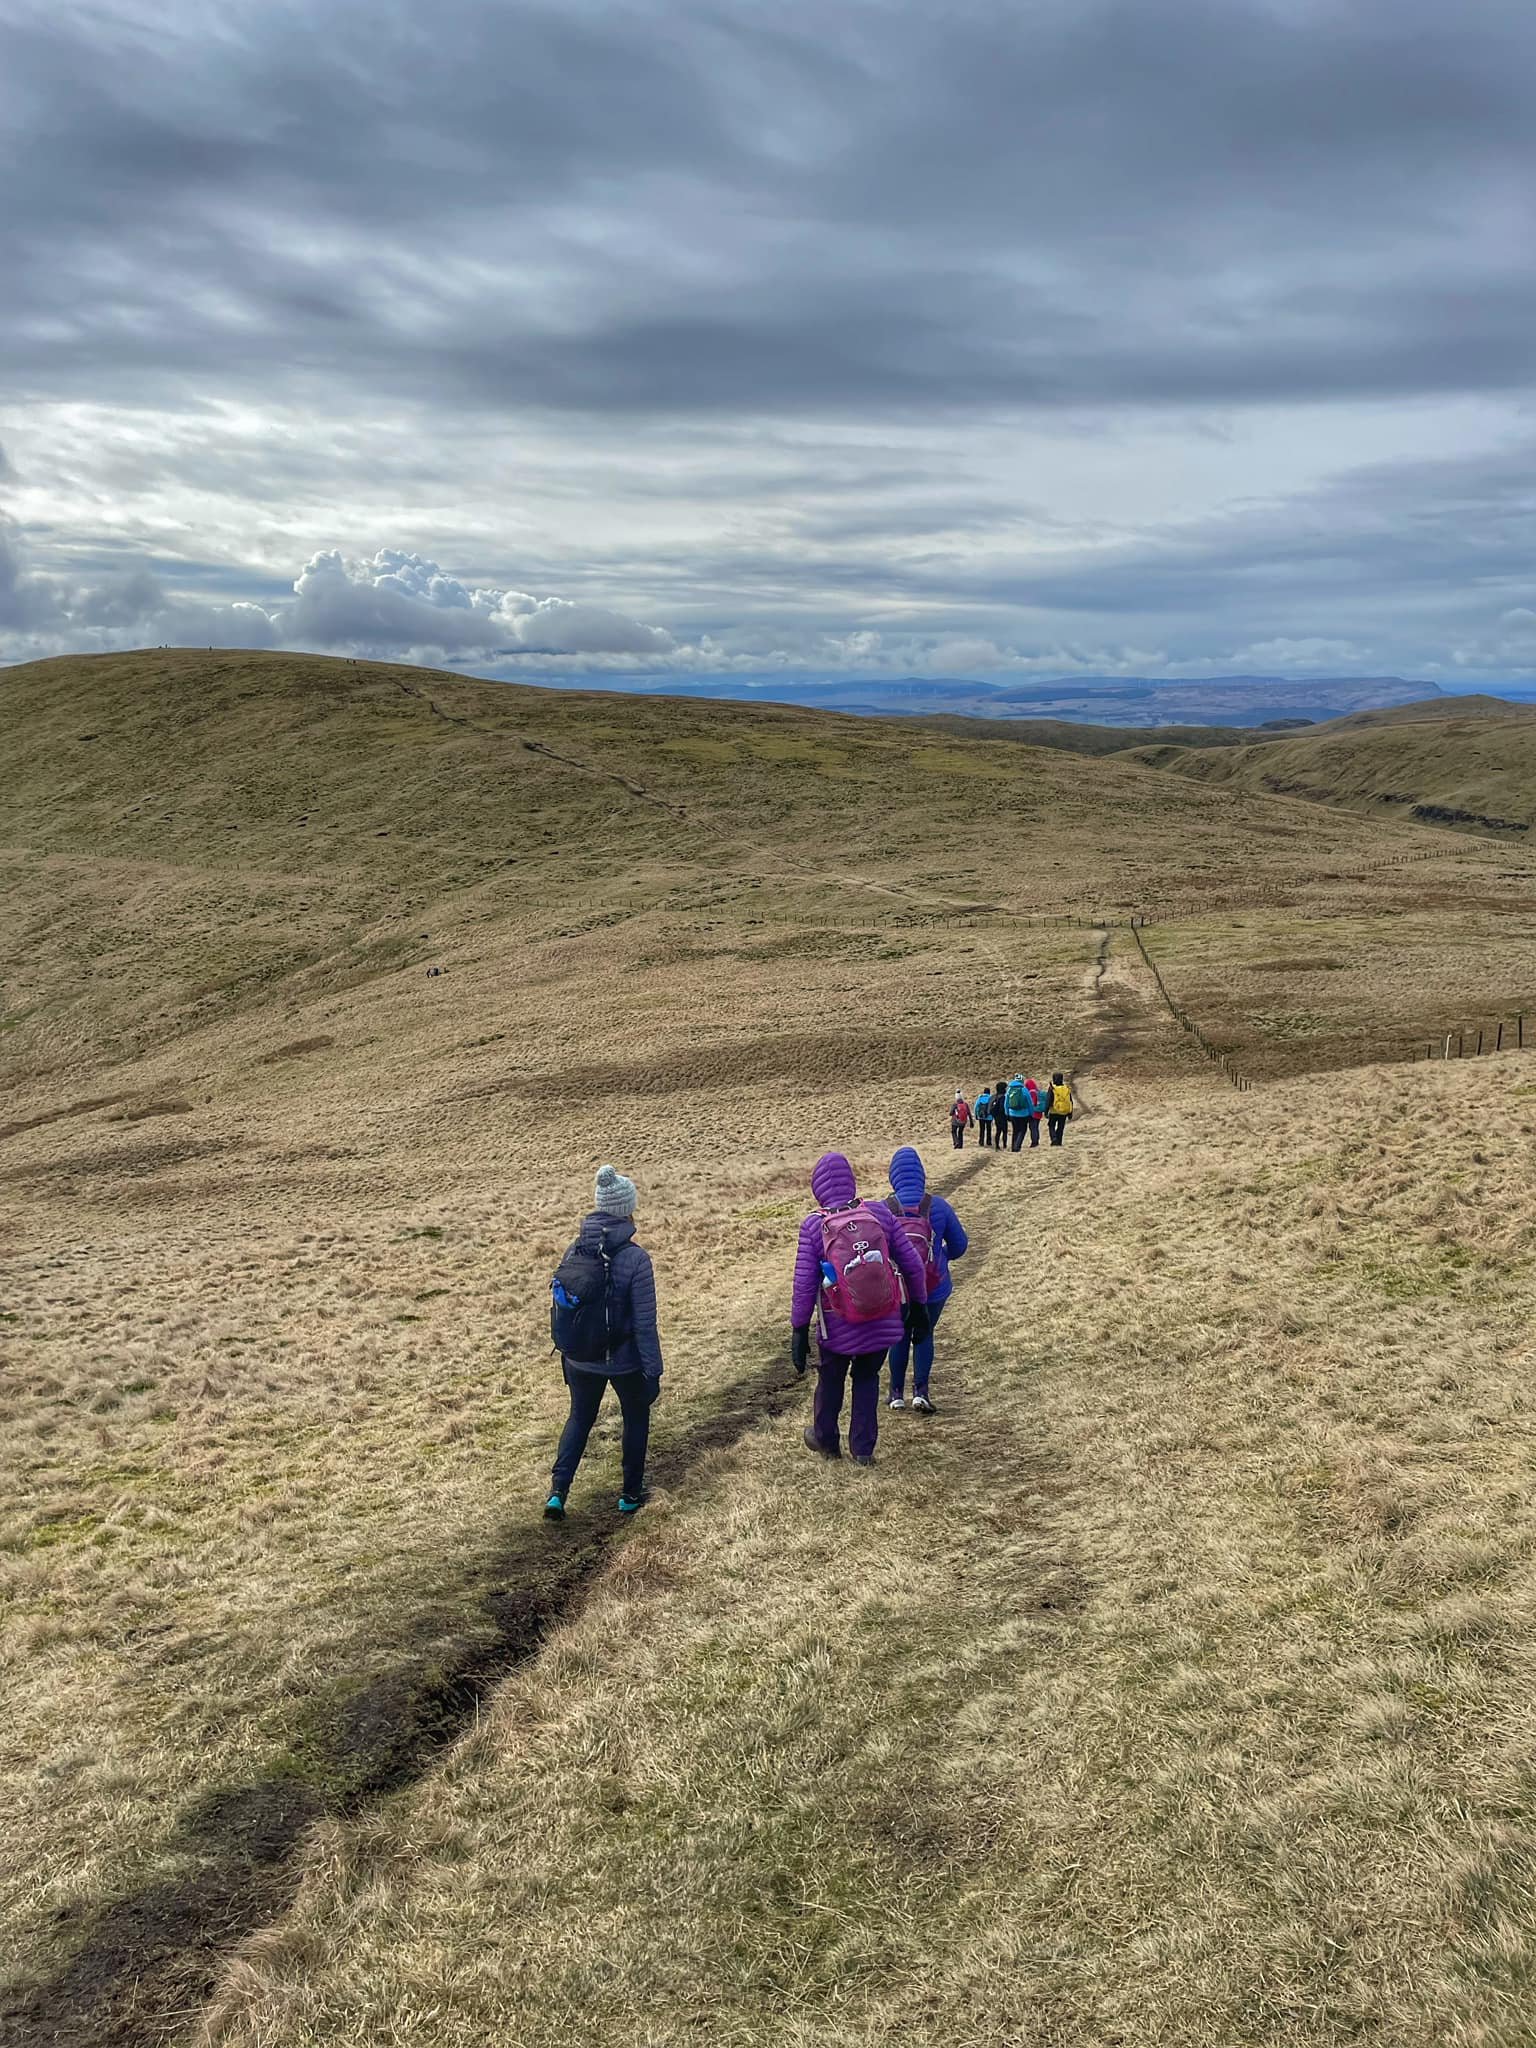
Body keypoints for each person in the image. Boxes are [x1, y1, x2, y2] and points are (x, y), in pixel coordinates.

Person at [791, 1152, 929, 1466]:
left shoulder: (814, 1226)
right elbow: (912, 1265)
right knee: (867, 1378)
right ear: (851, 1182)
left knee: (831, 1379)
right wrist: (918, 1305)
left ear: (818, 1188)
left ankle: (825, 1440)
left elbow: (803, 1284)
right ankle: (863, 1450)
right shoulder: (879, 1213)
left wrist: (798, 1330)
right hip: (882, 1318)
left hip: (837, 1324)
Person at [545, 1165, 662, 1519]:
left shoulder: (574, 1249)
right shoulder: (636, 1259)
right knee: (635, 1417)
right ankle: (629, 1495)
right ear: (626, 1210)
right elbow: (645, 1323)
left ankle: (557, 1493)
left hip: (580, 1359)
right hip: (624, 1360)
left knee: (579, 1418)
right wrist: (653, 1372)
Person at [884, 1147, 968, 1414]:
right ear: (921, 1174)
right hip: (933, 1286)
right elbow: (960, 1245)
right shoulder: (939, 1206)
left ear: (893, 1176)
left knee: (898, 1337)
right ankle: (921, 1392)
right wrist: (941, 1257)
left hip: (898, 1289)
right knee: (924, 1333)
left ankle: (896, 1394)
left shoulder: (884, 1209)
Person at [1046, 1071, 1074, 1146]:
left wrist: (1046, 1111)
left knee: (1051, 1125)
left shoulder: (1052, 1088)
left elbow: (1048, 1100)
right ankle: (1059, 1141)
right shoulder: (1066, 1088)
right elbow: (1070, 1101)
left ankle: (1054, 1138)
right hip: (1064, 1111)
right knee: (1061, 1127)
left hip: (1054, 1111)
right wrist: (1070, 1113)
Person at [1021, 1074, 1044, 1147]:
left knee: (1033, 1128)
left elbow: (1032, 1103)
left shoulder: (1031, 1092)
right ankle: (1036, 1140)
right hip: (1039, 1113)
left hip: (1033, 1113)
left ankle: (1034, 1142)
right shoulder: (1037, 1091)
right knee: (1035, 1127)